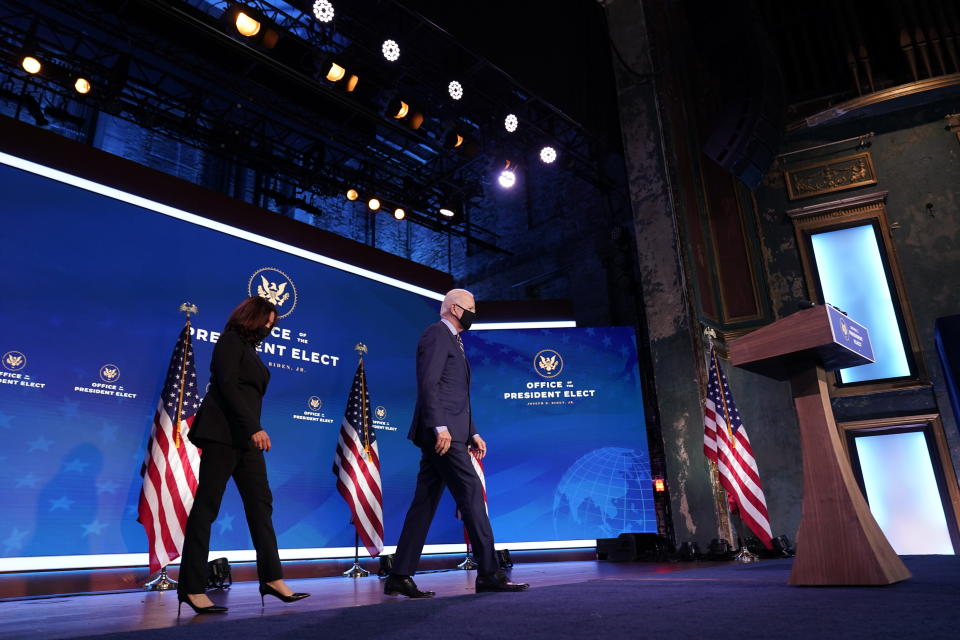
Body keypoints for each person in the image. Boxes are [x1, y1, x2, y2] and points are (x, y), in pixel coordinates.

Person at [385, 289, 529, 598]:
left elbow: (456, 396)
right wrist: (441, 427)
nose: (475, 313)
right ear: (453, 309)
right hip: (442, 435)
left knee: (424, 503)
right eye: (471, 308)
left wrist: (473, 431)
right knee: (472, 493)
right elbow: (429, 384)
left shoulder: (455, 341)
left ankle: (399, 574)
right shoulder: (437, 333)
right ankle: (490, 573)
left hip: (450, 432)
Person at [177, 296, 309, 614]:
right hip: (223, 435)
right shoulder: (230, 341)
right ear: (254, 317)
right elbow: (227, 387)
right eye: (268, 321)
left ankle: (272, 578)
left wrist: (250, 430)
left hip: (246, 440)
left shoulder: (250, 349)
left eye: (273, 324)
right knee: (207, 508)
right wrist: (254, 427)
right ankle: (192, 588)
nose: (270, 327)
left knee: (261, 506)